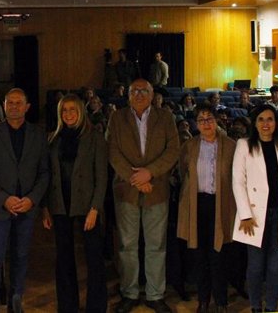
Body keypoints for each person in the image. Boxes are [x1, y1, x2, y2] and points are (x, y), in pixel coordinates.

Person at [107, 79, 180, 313]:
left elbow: (173, 150)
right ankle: (129, 293)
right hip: (127, 190)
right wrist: (135, 178)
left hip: (156, 189)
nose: (139, 94)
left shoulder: (165, 117)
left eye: (144, 91)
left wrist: (150, 173)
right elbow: (113, 152)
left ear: (151, 94)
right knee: (127, 245)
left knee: (156, 245)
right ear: (128, 95)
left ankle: (155, 294)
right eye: (134, 91)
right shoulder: (117, 118)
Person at [0, 88, 50, 313]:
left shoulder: (38, 135)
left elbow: (44, 173)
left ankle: (15, 301)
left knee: (21, 256)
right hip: (0, 208)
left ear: (27, 107)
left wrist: (32, 199)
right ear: (4, 106)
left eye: (19, 103)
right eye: (10, 103)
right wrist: (3, 199)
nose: (14, 106)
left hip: (27, 208)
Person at [231, 104, 278, 312]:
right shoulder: (244, 145)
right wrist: (244, 214)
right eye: (261, 119)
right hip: (254, 215)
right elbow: (238, 182)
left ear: (276, 122)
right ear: (254, 122)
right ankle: (255, 306)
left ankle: (271, 306)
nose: (265, 124)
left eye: (270, 119)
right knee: (255, 266)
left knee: (276, 267)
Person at [41, 94, 107, 312]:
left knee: (94, 258)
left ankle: (96, 306)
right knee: (64, 258)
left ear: (81, 111)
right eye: (64, 110)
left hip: (88, 206)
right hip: (60, 205)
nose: (68, 114)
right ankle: (67, 306)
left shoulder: (95, 137)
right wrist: (45, 208)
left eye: (72, 110)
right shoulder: (53, 139)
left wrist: (95, 208)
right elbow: (47, 175)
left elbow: (102, 177)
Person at [177, 104, 236, 313]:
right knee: (200, 257)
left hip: (221, 205)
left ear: (216, 120)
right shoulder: (189, 146)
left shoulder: (230, 146)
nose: (206, 123)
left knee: (218, 256)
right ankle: (203, 301)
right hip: (196, 205)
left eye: (209, 118)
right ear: (196, 123)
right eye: (201, 120)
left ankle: (221, 301)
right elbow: (183, 174)